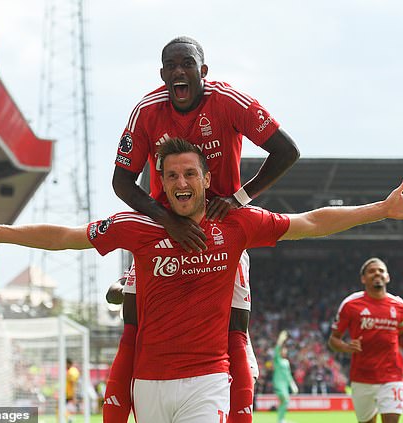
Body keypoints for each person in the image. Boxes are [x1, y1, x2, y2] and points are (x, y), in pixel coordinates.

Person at [0, 138, 403, 423]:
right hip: (148, 384)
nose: (180, 183)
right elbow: (65, 235)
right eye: (170, 175)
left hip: (207, 381)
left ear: (205, 178)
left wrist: (381, 210)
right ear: (160, 181)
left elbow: (311, 221)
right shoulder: (137, 227)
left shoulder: (236, 224)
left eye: (189, 174)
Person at [108, 34, 300, 423]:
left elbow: (287, 150)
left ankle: (238, 376)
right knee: (133, 320)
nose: (179, 72)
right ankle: (132, 285)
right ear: (162, 74)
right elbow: (122, 182)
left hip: (222, 232)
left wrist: (239, 199)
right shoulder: (146, 111)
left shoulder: (229, 102)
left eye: (187, 64)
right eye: (172, 66)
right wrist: (165, 221)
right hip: (163, 233)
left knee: (234, 329)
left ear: (203, 71)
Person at [327, 258, 403, 423]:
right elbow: (333, 340)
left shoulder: (399, 305)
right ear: (363, 279)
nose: (377, 273)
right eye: (371, 271)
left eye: (381, 270)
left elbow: (401, 333)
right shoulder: (350, 304)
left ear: (388, 277)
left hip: (392, 376)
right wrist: (347, 347)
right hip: (362, 377)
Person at [273, 331, 298, 423]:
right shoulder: (277, 360)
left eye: (285, 350)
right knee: (285, 399)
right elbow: (276, 349)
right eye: (283, 349)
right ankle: (281, 420)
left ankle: (281, 419)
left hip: (285, 385)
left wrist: (293, 385)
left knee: (284, 402)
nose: (285, 350)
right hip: (278, 383)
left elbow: (289, 375)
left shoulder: (286, 362)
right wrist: (281, 339)